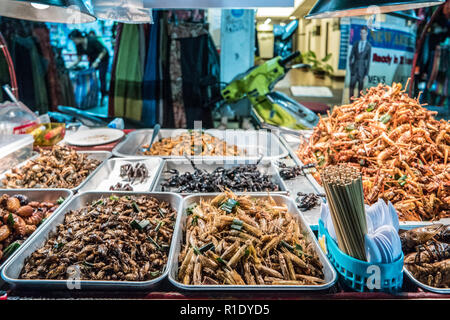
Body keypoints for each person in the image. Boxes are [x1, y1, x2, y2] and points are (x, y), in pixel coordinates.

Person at [67, 29, 110, 104]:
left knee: (101, 77)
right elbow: (79, 59)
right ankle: (91, 96)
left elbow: (104, 51)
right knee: (90, 77)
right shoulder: (78, 45)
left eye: (74, 39)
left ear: (79, 37)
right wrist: (69, 66)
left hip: (103, 59)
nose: (73, 41)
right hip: (93, 60)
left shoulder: (91, 40)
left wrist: (97, 61)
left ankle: (103, 96)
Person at [349, 26, 372, 100]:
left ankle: (358, 104)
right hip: (354, 70)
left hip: (362, 70)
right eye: (361, 33)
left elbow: (368, 61)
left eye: (364, 33)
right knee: (351, 87)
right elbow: (351, 56)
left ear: (366, 34)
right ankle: (351, 102)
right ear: (360, 33)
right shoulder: (356, 44)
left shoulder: (368, 46)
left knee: (360, 90)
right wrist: (351, 68)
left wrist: (366, 74)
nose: (363, 34)